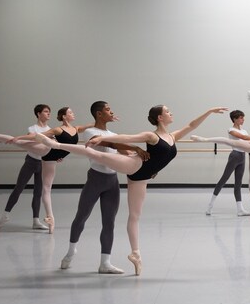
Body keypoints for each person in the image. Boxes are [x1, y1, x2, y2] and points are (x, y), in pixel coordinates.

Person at [34, 105, 228, 276]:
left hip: (143, 177)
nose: (171, 113)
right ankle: (55, 144)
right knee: (95, 155)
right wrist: (100, 138)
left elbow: (192, 125)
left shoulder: (173, 136)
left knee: (135, 216)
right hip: (135, 165)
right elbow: (127, 137)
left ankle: (135, 253)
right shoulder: (153, 136)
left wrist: (209, 112)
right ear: (160, 118)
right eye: (167, 111)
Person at [0, 107, 94, 234]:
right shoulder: (55, 129)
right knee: (18, 143)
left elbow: (90, 125)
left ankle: (49, 219)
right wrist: (19, 137)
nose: (73, 114)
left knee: (46, 190)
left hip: (52, 159)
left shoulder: (75, 128)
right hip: (43, 152)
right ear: (63, 116)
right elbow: (35, 136)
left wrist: (103, 120)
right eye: (70, 112)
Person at [60, 101, 149, 275]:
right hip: (95, 179)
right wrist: (135, 146)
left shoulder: (112, 133)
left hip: (112, 182)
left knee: (109, 222)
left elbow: (124, 154)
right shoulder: (90, 132)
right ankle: (71, 252)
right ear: (99, 114)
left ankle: (105, 262)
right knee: (81, 217)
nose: (111, 111)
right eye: (107, 109)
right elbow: (110, 144)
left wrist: (143, 160)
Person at [0, 104, 51, 231]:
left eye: (49, 112)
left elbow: (49, 146)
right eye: (46, 111)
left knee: (38, 193)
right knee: (18, 188)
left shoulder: (50, 129)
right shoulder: (32, 128)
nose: (48, 114)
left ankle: (36, 221)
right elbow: (34, 141)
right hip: (31, 162)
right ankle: (5, 215)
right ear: (38, 114)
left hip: (43, 163)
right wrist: (44, 141)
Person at [205, 110, 250, 217]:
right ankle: (210, 206)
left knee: (238, 183)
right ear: (235, 119)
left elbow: (247, 141)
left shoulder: (245, 131)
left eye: (243, 117)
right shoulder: (231, 130)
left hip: (242, 156)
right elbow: (243, 138)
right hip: (235, 155)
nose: (243, 119)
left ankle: (240, 209)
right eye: (241, 118)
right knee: (224, 179)